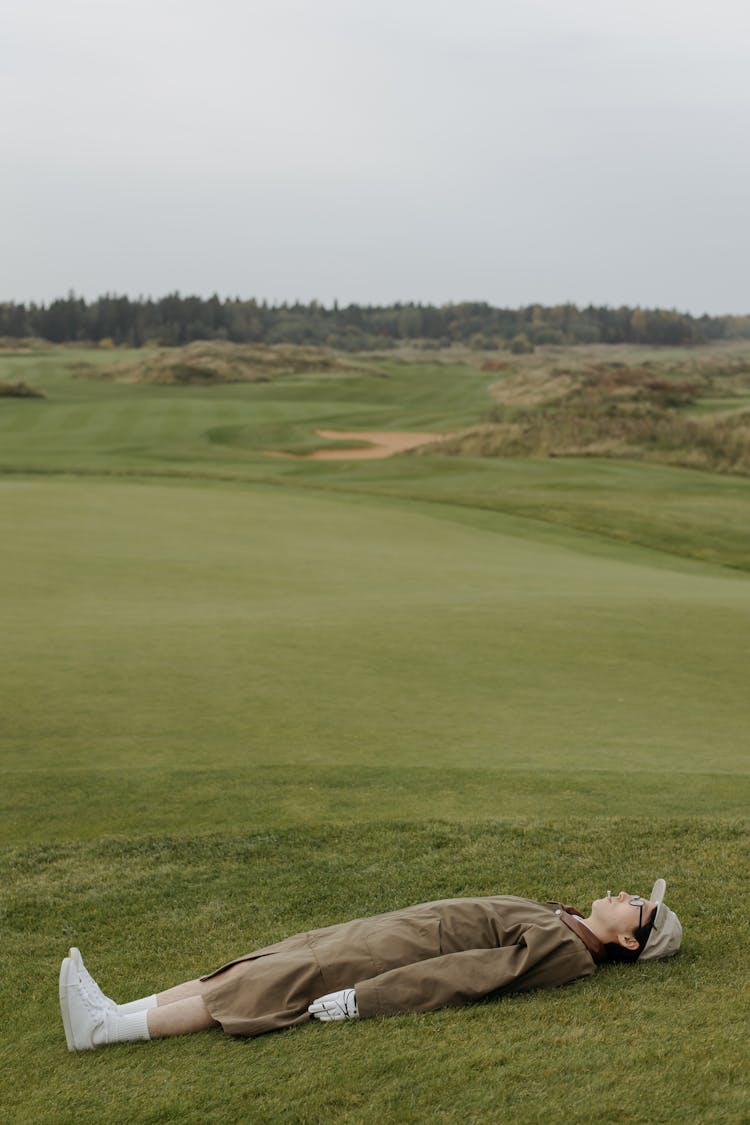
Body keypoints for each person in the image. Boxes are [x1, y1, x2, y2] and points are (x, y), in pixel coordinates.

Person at [59, 878, 682, 1052]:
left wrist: (366, 998)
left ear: (630, 944)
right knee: (248, 968)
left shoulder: (564, 952)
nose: (626, 896)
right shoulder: (567, 920)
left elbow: (470, 975)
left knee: (261, 988)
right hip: (378, 935)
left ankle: (105, 1030)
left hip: (388, 958)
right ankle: (116, 1009)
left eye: (638, 909)